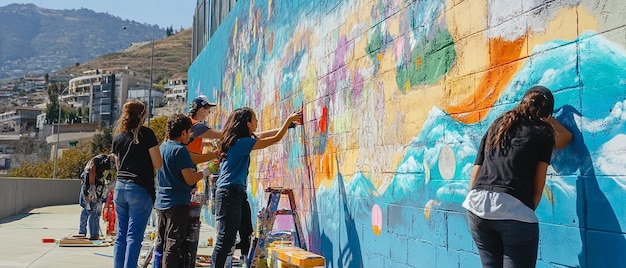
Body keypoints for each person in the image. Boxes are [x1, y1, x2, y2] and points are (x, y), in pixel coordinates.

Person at [463, 86, 573, 268]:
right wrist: (525, 210)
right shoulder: (543, 132)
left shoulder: (497, 125)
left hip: (476, 207)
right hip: (513, 210)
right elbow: (540, 183)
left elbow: (474, 176)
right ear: (546, 113)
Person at [211, 107, 302, 267]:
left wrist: (287, 126)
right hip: (229, 193)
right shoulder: (241, 143)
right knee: (225, 239)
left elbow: (263, 135)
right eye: (255, 119)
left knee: (245, 231)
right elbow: (272, 140)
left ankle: (243, 260)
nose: (258, 122)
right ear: (247, 123)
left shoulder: (238, 140)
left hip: (235, 193)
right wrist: (287, 120)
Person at [154, 114, 211, 267]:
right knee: (173, 244)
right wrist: (207, 171)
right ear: (184, 132)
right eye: (190, 132)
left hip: (161, 202)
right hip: (177, 203)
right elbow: (190, 179)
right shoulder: (180, 150)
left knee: (162, 242)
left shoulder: (162, 148)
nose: (191, 136)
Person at [111, 99, 162, 268]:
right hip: (139, 188)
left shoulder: (118, 137)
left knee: (121, 235)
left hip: (120, 188)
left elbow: (118, 165)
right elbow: (158, 163)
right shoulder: (147, 134)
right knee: (134, 236)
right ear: (143, 115)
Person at [77, 153, 114, 240]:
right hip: (91, 189)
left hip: (93, 188)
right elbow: (92, 169)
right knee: (92, 211)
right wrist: (92, 186)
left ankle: (86, 233)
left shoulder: (100, 163)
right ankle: (91, 234)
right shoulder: (100, 160)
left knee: (90, 211)